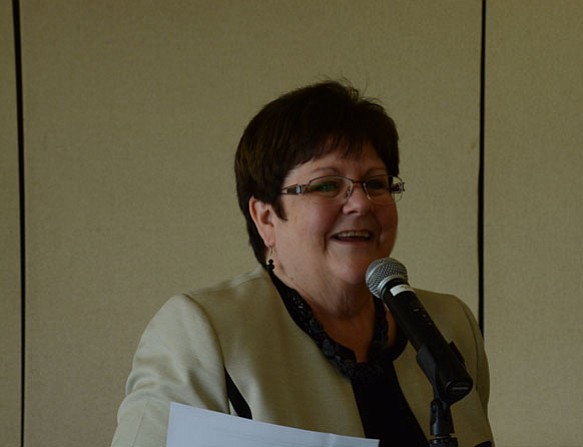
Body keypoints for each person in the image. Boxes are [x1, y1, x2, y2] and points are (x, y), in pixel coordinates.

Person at [111, 80, 494, 447]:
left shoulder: (449, 323)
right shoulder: (203, 333)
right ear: (265, 217)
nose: (361, 204)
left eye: (376, 184)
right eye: (326, 185)